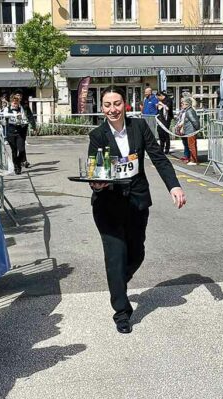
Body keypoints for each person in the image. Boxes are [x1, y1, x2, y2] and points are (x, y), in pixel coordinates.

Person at [88, 86, 186, 334]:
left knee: (137, 254)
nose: (113, 109)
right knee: (115, 256)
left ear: (125, 105)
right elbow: (94, 169)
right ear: (102, 108)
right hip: (107, 205)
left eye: (117, 103)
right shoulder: (97, 135)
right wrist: (97, 183)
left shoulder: (139, 127)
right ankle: (121, 311)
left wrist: (173, 186)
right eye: (108, 104)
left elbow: (158, 157)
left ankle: (119, 282)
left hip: (137, 202)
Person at [1, 92, 35, 174]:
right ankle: (17, 168)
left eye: (17, 103)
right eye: (14, 103)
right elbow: (5, 115)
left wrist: (24, 121)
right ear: (11, 102)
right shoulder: (7, 108)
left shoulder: (21, 108)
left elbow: (24, 117)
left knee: (22, 149)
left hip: (19, 130)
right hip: (11, 131)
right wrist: (13, 115)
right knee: (14, 151)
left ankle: (18, 163)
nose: (15, 104)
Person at [175, 97, 201, 165]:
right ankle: (191, 159)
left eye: (183, 104)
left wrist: (196, 130)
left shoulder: (189, 111)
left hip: (191, 131)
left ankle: (194, 160)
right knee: (190, 145)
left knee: (192, 146)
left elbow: (195, 121)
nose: (182, 105)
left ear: (187, 104)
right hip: (189, 131)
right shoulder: (188, 110)